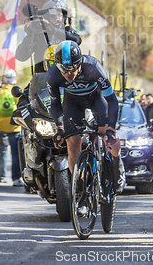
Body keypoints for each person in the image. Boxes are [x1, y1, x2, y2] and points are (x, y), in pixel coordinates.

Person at [46, 40, 125, 195]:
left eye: (73, 68)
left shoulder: (93, 67)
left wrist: (111, 128)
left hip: (96, 99)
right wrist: (60, 128)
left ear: (80, 62)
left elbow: (112, 100)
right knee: (72, 144)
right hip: (72, 102)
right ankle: (80, 188)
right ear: (57, 65)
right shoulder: (53, 75)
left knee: (108, 137)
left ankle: (117, 167)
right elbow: (55, 104)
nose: (69, 73)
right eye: (64, 69)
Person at [16, 0, 82, 74]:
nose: (56, 17)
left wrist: (53, 30)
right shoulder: (39, 34)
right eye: (52, 14)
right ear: (47, 16)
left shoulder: (67, 31)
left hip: (65, 79)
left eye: (59, 14)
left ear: (64, 17)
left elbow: (77, 40)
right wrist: (31, 34)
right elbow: (21, 56)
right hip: (42, 81)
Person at [0, 69, 23, 186]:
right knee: (15, 153)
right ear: (14, 81)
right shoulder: (18, 92)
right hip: (14, 127)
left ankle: (2, 177)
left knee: (2, 151)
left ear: (3, 80)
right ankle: (16, 179)